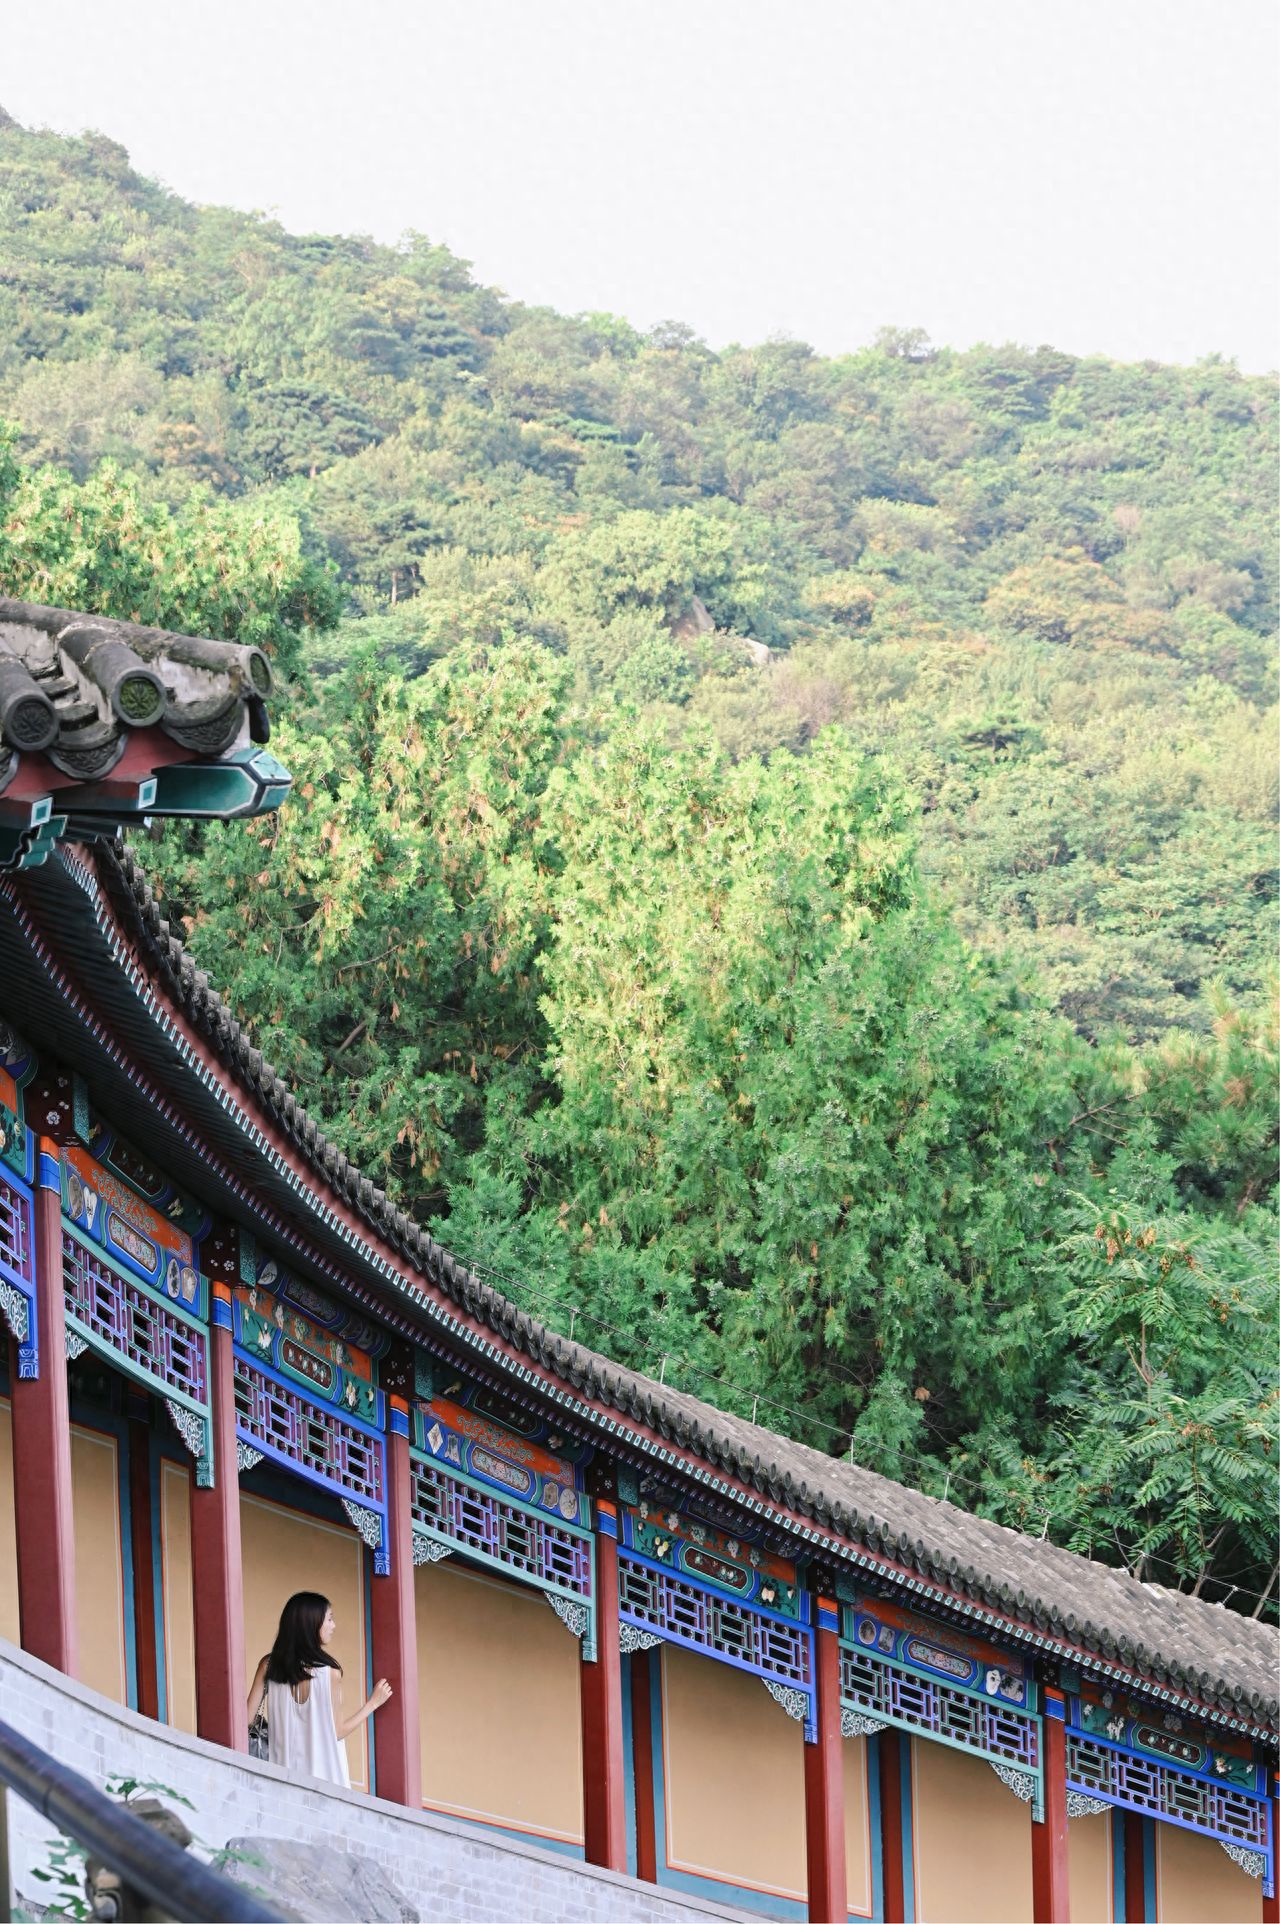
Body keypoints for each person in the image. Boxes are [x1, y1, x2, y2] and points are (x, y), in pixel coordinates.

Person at [247, 1591, 392, 1788]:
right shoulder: (329, 1673)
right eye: (329, 1619)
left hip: (282, 1776)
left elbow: (247, 1718)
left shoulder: (268, 1665)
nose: (333, 1626)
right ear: (312, 1624)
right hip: (326, 1779)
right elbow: (337, 1732)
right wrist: (373, 1703)